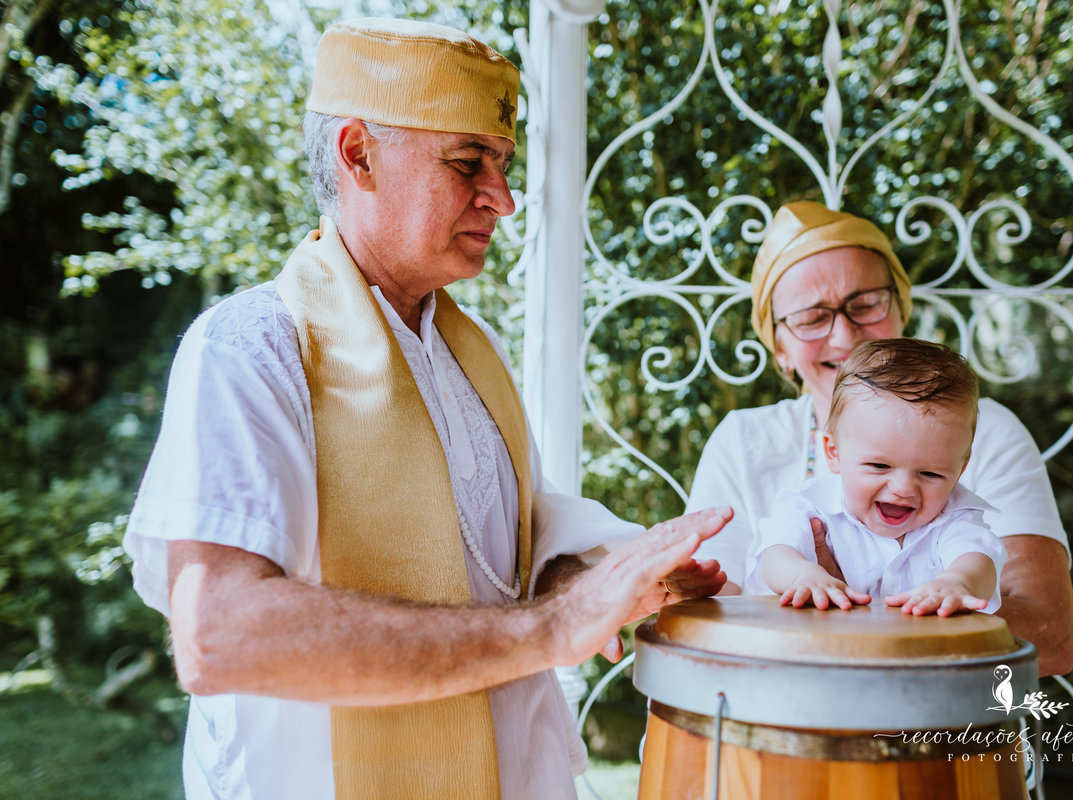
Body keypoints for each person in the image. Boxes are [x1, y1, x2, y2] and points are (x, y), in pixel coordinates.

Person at [123, 18, 730, 800]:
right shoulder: (249, 348)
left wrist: (612, 574)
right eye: (468, 162)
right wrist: (550, 630)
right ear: (357, 153)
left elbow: (492, 560)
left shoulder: (468, 354)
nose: (503, 199)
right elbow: (221, 633)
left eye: (503, 165)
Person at [687, 201, 1073, 675]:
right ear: (780, 348)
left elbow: (1052, 638)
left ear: (899, 310)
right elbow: (705, 618)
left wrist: (860, 617)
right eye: (812, 317)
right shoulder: (740, 442)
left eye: (865, 303)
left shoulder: (987, 430)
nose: (845, 333)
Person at [755, 338, 1006, 617]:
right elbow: (775, 555)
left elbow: (977, 560)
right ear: (834, 452)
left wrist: (958, 582)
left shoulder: (952, 518)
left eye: (930, 473)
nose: (903, 488)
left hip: (918, 657)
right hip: (818, 653)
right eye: (879, 465)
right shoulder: (809, 505)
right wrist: (803, 574)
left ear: (959, 470)